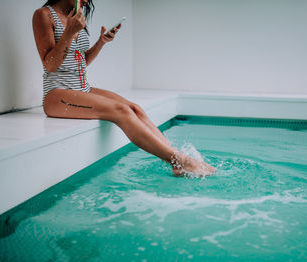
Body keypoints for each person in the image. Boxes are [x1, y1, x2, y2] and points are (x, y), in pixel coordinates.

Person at [32, 0, 216, 177]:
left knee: (134, 108)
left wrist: (101, 42)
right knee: (120, 111)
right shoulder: (44, 15)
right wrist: (69, 33)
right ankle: (179, 160)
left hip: (81, 88)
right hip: (56, 95)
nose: (88, 0)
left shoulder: (76, 16)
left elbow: (79, 62)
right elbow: (50, 65)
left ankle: (175, 158)